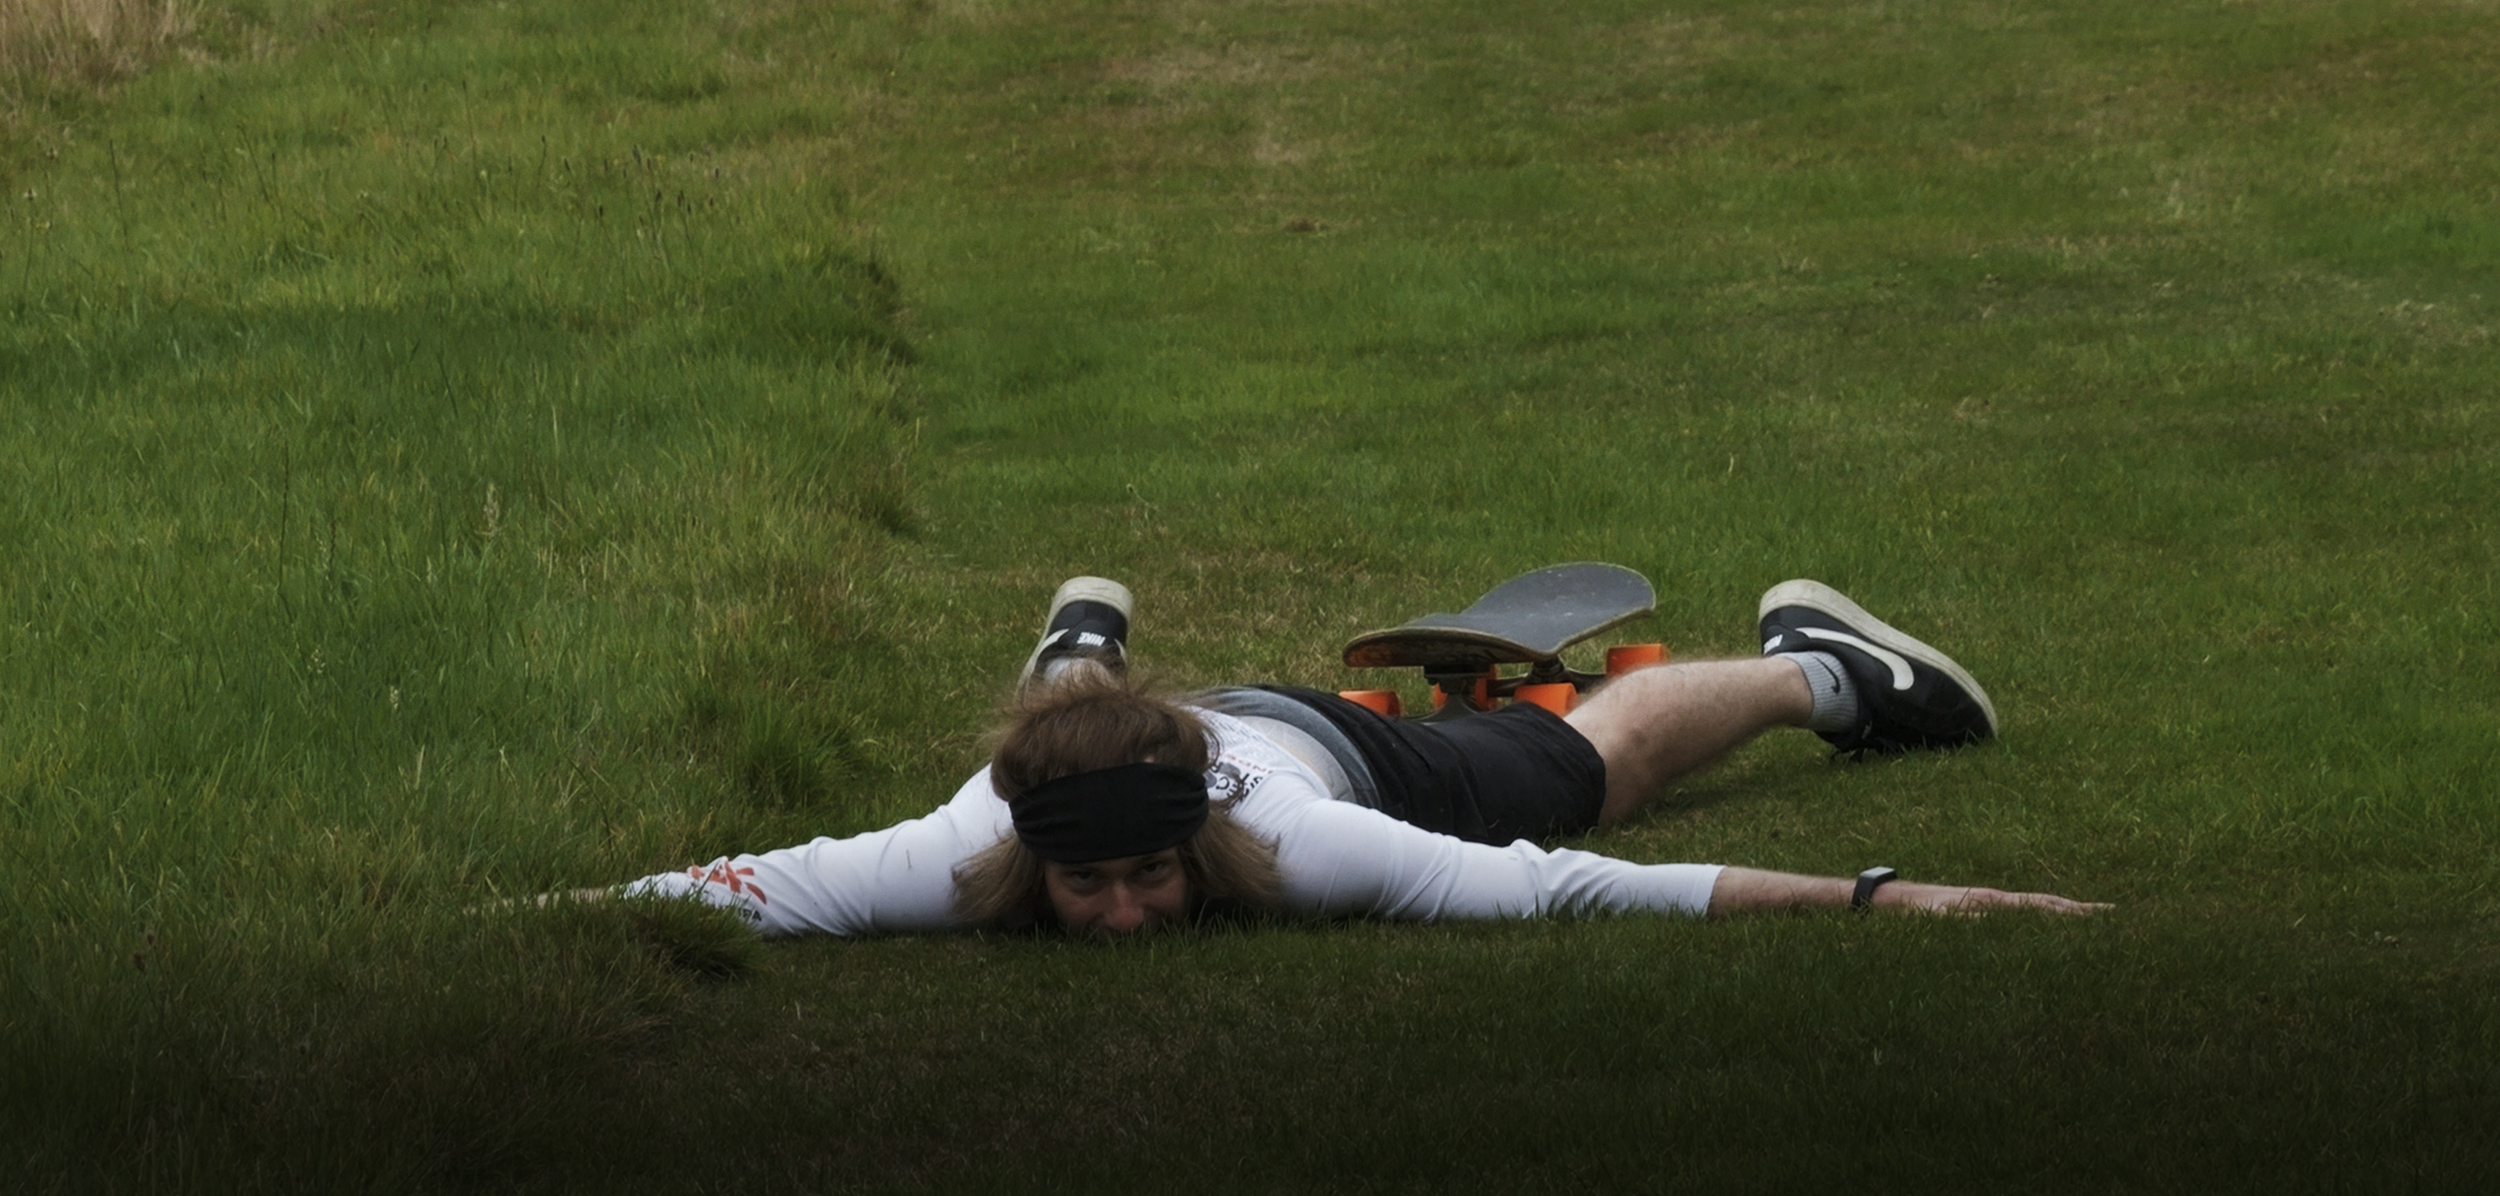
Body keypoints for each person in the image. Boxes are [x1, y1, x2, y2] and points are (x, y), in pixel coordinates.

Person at [623, 576, 2106, 935]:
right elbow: (728, 888)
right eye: (1090, 886)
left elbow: (1566, 887)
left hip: (1326, 749)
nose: (1129, 914)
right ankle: (1075, 660)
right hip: (1129, 726)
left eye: (1149, 874)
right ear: (1029, 855)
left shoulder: (1295, 839)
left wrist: (1872, 896)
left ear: (1196, 839)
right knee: (1078, 720)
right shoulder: (961, 844)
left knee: (1595, 767)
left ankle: (1824, 671)